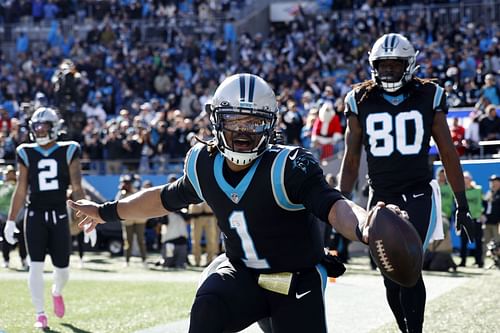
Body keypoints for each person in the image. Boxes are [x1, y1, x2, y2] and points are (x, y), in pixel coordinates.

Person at [69, 73, 374, 333]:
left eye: (253, 122)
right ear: (216, 120)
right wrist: (104, 211)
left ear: (269, 126)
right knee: (208, 308)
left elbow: (334, 205)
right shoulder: (204, 164)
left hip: (294, 280)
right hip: (242, 274)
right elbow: (163, 199)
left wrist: (364, 225)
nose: (242, 131)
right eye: (234, 120)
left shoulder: (288, 166)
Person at [339, 33, 476, 333]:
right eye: (382, 65)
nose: (387, 71)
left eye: (394, 65)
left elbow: (448, 152)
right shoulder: (359, 98)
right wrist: (337, 206)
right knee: (389, 273)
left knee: (409, 268)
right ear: (373, 66)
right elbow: (350, 161)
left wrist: (462, 203)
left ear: (409, 65)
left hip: (418, 192)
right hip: (380, 195)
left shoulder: (429, 94)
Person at [3, 107, 86, 329]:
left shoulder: (69, 149)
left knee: (63, 270)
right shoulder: (25, 151)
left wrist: (88, 218)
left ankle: (56, 292)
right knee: (35, 266)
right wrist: (11, 220)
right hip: (35, 214)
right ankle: (40, 313)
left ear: (55, 127)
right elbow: (21, 189)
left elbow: (77, 188)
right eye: (36, 127)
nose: (39, 131)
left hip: (59, 213)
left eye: (44, 126)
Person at [116, 174, 148, 268]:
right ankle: (127, 260)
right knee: (127, 241)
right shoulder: (122, 193)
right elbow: (117, 202)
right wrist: (123, 193)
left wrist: (133, 190)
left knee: (141, 240)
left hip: (139, 218)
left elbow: (141, 199)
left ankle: (144, 260)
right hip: (128, 219)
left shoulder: (138, 190)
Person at [0, 165, 27, 270]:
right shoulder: (2, 186)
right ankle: (6, 260)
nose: (9, 175)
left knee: (22, 240)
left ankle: (24, 260)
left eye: (11, 173)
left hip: (19, 216)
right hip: (4, 216)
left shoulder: (20, 184)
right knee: (5, 240)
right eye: (7, 173)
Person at [459, 172, 484, 267]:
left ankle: (479, 261)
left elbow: (484, 202)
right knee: (463, 242)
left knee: (478, 241)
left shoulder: (478, 190)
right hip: (465, 219)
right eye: (464, 178)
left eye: (467, 178)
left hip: (476, 219)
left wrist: (483, 213)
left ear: (470, 179)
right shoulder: (460, 192)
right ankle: (463, 261)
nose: (465, 180)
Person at [188, 201, 219, 267]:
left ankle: (210, 260)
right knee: (195, 240)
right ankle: (197, 261)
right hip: (196, 216)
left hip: (210, 216)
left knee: (211, 239)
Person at [483, 174, 500, 260]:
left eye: (495, 182)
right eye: (492, 182)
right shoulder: (489, 193)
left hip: (497, 223)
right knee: (485, 242)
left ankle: (497, 261)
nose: (493, 184)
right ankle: (482, 262)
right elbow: (485, 206)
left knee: (497, 243)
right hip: (487, 222)